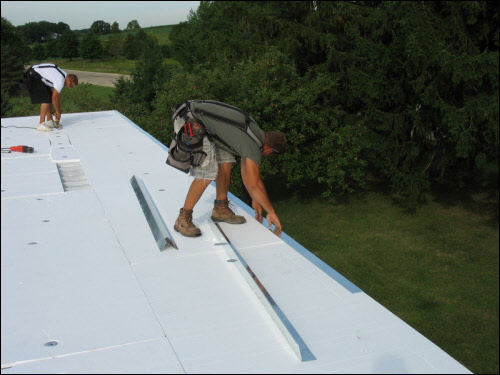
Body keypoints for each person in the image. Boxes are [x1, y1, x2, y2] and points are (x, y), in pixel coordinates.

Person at [172, 100, 287, 238]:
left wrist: (255, 197)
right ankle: (183, 219)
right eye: (271, 155)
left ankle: (220, 208)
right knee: (207, 173)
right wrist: (271, 211)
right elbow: (253, 183)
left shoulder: (254, 132)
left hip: (195, 116)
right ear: (270, 149)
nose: (267, 156)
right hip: (191, 121)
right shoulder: (253, 145)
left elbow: (248, 175)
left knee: (226, 160)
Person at [24, 63, 78, 131]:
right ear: (69, 80)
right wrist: (58, 112)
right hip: (33, 76)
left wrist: (57, 111)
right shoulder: (60, 80)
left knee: (48, 97)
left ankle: (49, 121)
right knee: (45, 99)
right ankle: (41, 124)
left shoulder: (64, 75)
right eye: (70, 86)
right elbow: (55, 97)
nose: (68, 87)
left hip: (36, 74)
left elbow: (53, 97)